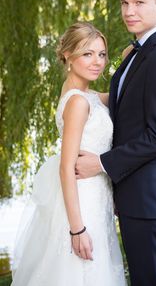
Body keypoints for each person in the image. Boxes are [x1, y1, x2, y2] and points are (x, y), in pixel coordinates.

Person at [76, 0, 156, 286]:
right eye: (125, 3)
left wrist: (100, 163)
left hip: (148, 199)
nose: (129, 11)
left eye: (139, 3)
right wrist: (77, 98)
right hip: (133, 194)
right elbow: (124, 103)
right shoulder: (137, 52)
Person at [11, 22, 126, 286]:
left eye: (101, 54)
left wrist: (133, 60)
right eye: (87, 54)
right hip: (83, 204)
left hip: (97, 197)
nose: (97, 61)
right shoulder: (77, 102)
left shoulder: (87, 95)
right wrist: (77, 229)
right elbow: (66, 168)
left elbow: (122, 94)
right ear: (67, 55)